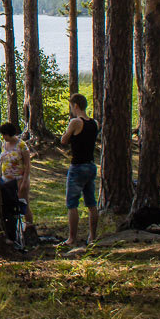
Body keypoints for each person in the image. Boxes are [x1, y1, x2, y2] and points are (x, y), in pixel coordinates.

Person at [60, 93, 99, 248]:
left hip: (77, 167)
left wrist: (68, 131)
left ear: (75, 105)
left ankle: (71, 238)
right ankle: (93, 236)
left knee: (72, 204)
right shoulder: (94, 122)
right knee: (91, 203)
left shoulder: (75, 122)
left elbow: (64, 140)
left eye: (71, 106)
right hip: (91, 165)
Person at [0, 122, 35, 233]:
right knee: (8, 205)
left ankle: (29, 226)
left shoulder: (21, 145)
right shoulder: (4, 145)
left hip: (19, 179)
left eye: (5, 134)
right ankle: (12, 228)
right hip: (6, 179)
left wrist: (24, 181)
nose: (3, 137)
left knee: (23, 203)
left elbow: (28, 164)